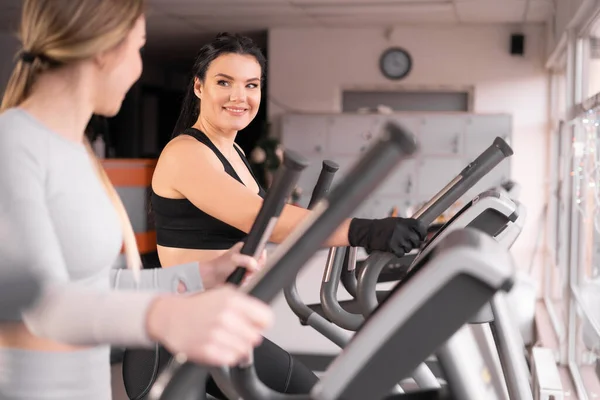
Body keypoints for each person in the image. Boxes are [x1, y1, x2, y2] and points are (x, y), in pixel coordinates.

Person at [0, 1, 275, 399]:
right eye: (138, 47)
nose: (138, 67)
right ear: (104, 50)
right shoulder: (14, 143)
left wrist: (205, 275)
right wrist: (165, 317)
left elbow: (98, 286)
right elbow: (37, 304)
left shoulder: (75, 150)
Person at [149, 32, 427, 396]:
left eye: (251, 84)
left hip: (224, 322)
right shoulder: (185, 153)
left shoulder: (235, 154)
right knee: (311, 390)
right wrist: (364, 231)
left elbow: (270, 217)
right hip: (193, 329)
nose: (239, 96)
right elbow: (261, 219)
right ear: (199, 88)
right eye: (224, 82)